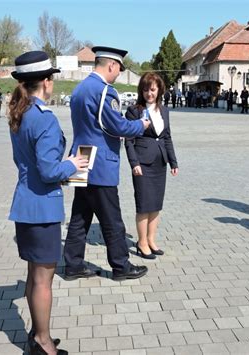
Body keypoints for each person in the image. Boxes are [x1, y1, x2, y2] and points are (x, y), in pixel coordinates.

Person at [8, 51, 88, 355]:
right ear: (45, 81)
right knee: (43, 280)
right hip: (42, 206)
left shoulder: (21, 112)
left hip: (26, 203)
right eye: (51, 78)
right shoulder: (43, 119)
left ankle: (37, 333)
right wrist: (72, 164)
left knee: (34, 274)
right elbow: (48, 170)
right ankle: (42, 342)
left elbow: (27, 163)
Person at [63, 46, 151, 281]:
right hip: (100, 162)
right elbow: (117, 126)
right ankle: (121, 266)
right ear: (112, 65)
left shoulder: (80, 88)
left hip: (81, 156)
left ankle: (72, 264)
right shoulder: (104, 91)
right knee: (112, 219)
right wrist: (140, 126)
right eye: (119, 70)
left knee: (80, 217)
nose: (118, 74)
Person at [124, 72, 179, 259]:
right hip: (142, 164)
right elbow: (129, 140)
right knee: (144, 205)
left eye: (153, 89)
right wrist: (134, 163)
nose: (149, 93)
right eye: (146, 89)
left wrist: (173, 161)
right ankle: (141, 242)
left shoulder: (164, 111)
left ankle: (151, 239)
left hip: (159, 164)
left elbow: (167, 137)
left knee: (156, 204)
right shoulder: (134, 111)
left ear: (159, 90)